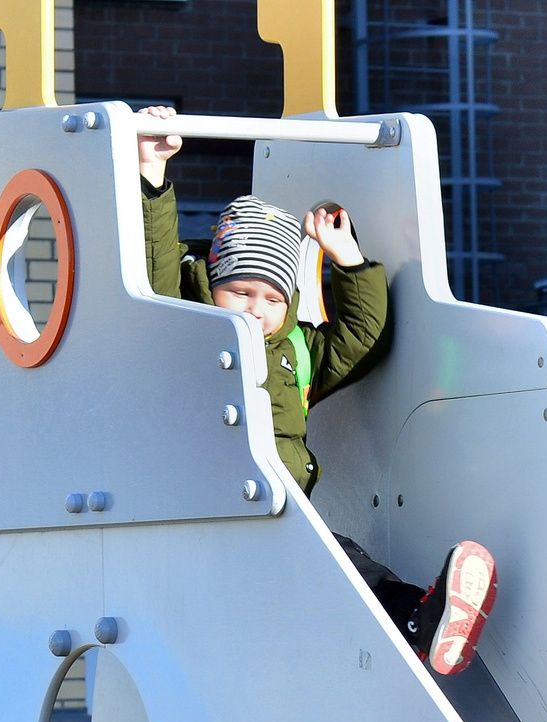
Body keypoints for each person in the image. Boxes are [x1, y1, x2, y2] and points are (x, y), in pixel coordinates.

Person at [135, 110, 494, 677]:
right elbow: (154, 274)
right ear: (212, 286)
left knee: (351, 564)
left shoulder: (296, 350)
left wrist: (348, 260)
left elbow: (362, 339)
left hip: (283, 512)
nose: (257, 309)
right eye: (240, 291)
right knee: (328, 568)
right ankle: (401, 628)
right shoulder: (188, 331)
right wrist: (150, 172)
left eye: (273, 298)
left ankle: (418, 621)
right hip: (208, 513)